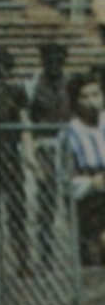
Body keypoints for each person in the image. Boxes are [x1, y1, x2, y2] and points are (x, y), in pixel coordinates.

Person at [64, 74, 105, 265]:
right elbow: (66, 179)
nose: (92, 102)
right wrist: (90, 183)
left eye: (96, 95)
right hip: (90, 205)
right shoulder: (69, 134)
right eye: (85, 97)